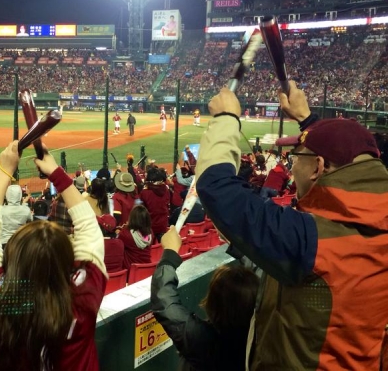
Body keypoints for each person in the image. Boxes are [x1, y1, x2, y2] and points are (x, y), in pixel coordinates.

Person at [195, 82, 388, 370]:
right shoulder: (373, 216)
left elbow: (216, 188)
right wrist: (308, 120)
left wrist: (225, 121)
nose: (291, 163)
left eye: (296, 156)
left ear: (318, 167)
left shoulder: (311, 240)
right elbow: (344, 157)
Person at [0, 141, 106, 371]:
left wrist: (5, 171)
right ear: (68, 261)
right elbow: (88, 224)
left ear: (12, 261)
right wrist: (56, 173)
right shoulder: (83, 296)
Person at [151, 227, 260, 371]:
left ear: (213, 303)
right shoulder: (262, 334)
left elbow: (165, 304)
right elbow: (262, 275)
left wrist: (169, 256)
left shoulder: (203, 341)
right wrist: (235, 243)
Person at [118, 205, 153, 270]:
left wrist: (125, 228)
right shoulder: (150, 233)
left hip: (131, 273)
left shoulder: (126, 235)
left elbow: (117, 243)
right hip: (147, 272)